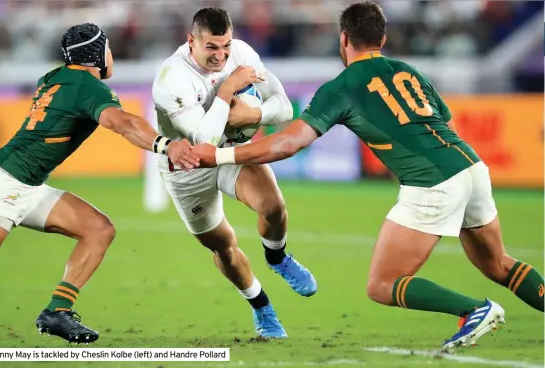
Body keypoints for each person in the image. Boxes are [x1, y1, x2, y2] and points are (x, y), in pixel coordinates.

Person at [192, 1, 544, 351]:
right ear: (383, 38)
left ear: (343, 39)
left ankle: (475, 311)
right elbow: (447, 126)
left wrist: (220, 155)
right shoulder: (409, 71)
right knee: (499, 264)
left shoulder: (342, 86)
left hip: (432, 182)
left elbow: (288, 143)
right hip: (470, 166)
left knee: (382, 283)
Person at [0, 23, 199, 344]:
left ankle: (57, 312)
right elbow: (124, 123)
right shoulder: (87, 87)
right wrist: (165, 145)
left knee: (98, 229)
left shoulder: (54, 78)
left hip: (25, 183)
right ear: (98, 53)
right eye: (108, 48)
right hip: (4, 184)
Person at [151, 7, 317, 338]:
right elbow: (202, 140)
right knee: (223, 247)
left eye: (225, 45)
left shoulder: (241, 53)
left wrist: (253, 113)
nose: (221, 55)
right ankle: (261, 306)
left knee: (272, 205)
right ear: (191, 41)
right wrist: (227, 91)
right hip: (187, 169)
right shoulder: (172, 78)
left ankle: (277, 257)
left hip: (228, 153)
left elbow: (283, 107)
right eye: (211, 47)